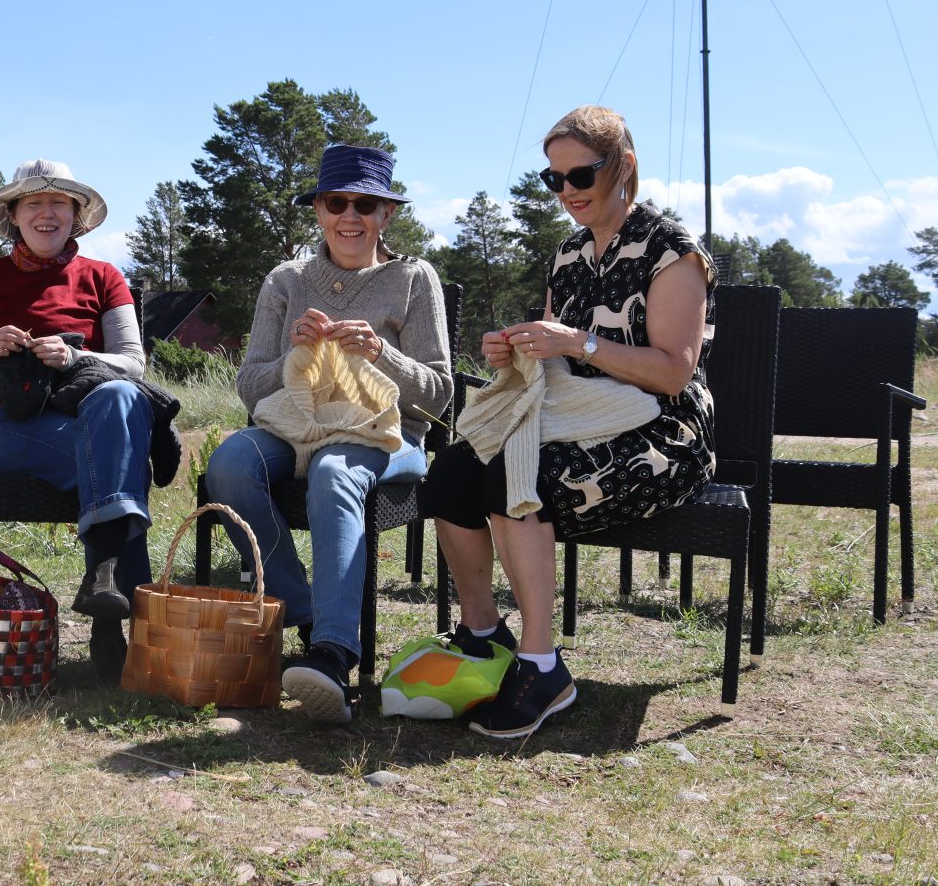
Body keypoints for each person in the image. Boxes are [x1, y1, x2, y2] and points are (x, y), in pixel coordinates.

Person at [421, 104, 716, 739]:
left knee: (514, 471)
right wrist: (518, 349)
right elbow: (558, 354)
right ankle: (483, 636)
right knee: (450, 471)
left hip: (661, 434)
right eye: (554, 180)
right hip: (574, 416)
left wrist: (576, 342)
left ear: (624, 167)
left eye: (580, 176)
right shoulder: (568, 253)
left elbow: (673, 374)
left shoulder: (673, 253)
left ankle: (541, 666)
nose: (566, 193)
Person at [204, 143, 452, 724]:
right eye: (336, 201)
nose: (350, 215)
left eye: (365, 204)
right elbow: (251, 385)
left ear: (386, 215)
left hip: (386, 437)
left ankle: (334, 654)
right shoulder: (286, 281)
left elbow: (439, 395)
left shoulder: (415, 279)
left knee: (335, 469)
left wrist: (381, 353)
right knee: (230, 464)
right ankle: (304, 609)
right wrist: (294, 348)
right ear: (317, 209)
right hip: (293, 426)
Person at [0, 159, 154, 684]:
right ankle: (126, 609)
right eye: (33, 202)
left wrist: (77, 359)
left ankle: (108, 599)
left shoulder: (105, 277)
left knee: (120, 398)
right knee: (119, 461)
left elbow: (134, 362)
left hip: (87, 422)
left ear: (76, 215)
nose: (46, 212)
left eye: (59, 202)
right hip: (0, 435)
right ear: (13, 215)